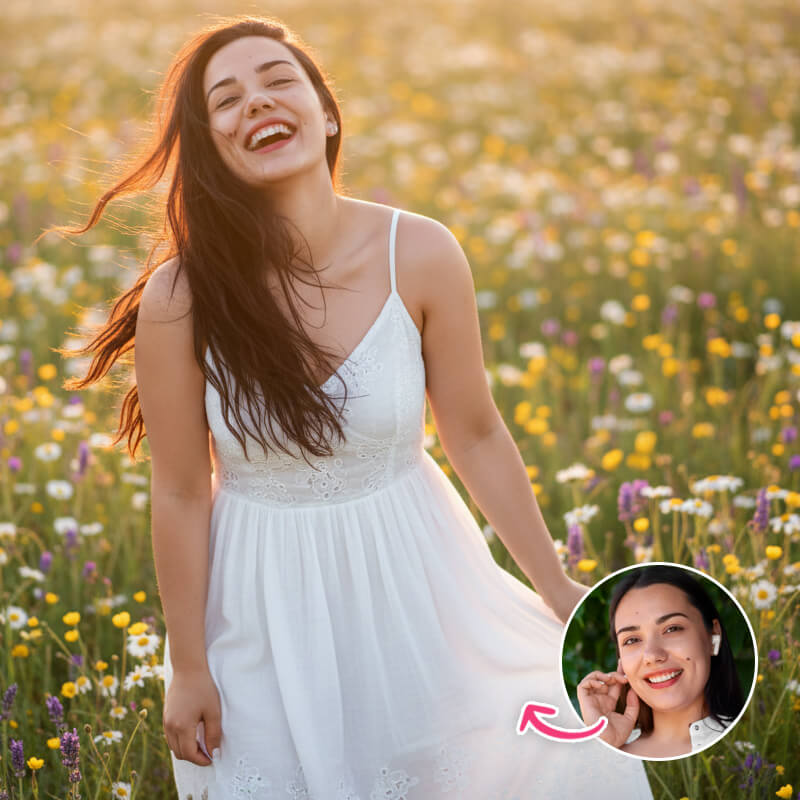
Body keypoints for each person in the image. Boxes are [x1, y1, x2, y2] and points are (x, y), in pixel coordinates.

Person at [60, 15, 654, 799]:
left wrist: (557, 587)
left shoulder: (422, 252)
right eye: (227, 100)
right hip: (261, 607)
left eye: (278, 81)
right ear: (211, 147)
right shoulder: (182, 296)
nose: (257, 102)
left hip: (419, 579)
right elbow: (177, 490)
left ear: (326, 112)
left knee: (549, 750)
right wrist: (190, 666)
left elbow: (476, 433)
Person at [577, 565, 746, 759]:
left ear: (713, 635)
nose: (652, 655)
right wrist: (604, 745)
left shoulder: (748, 744)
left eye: (672, 629)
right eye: (632, 640)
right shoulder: (610, 749)